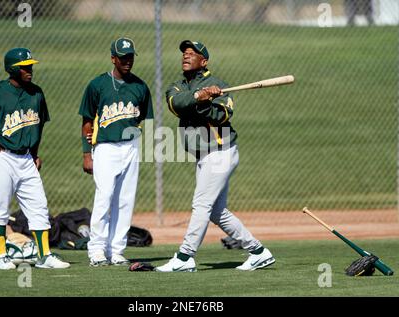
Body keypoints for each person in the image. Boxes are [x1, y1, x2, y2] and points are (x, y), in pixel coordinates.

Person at [156, 40, 275, 272]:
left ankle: (185, 257)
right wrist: (200, 95)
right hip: (204, 155)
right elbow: (176, 104)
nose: (186, 56)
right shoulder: (178, 86)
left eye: (192, 53)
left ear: (204, 61)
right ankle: (259, 252)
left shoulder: (219, 85)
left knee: (201, 204)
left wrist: (208, 100)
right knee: (217, 213)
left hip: (220, 152)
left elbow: (222, 116)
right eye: (184, 53)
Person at [0, 48, 70, 270]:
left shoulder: (37, 93)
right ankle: (1, 256)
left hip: (26, 159)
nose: (30, 70)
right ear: (12, 69)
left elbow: (37, 127)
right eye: (24, 67)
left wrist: (35, 154)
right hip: (0, 158)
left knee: (38, 206)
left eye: (30, 66)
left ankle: (44, 255)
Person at [79, 37, 154, 267]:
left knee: (125, 201)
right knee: (104, 198)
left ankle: (117, 250)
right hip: (105, 148)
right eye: (122, 57)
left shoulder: (140, 87)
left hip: (130, 148)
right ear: (113, 58)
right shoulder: (98, 85)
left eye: (130, 56)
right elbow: (87, 120)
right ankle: (97, 250)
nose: (127, 61)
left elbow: (144, 119)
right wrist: (86, 153)